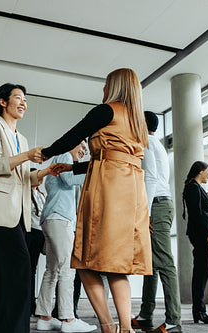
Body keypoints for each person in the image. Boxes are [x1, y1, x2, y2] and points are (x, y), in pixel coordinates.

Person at [42, 68, 152, 333]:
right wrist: (73, 169)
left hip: (108, 190)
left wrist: (45, 153)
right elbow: (116, 156)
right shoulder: (138, 122)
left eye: (106, 85)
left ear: (113, 86)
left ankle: (107, 325)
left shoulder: (106, 110)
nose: (103, 90)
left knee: (85, 260)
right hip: (133, 191)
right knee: (117, 264)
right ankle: (126, 328)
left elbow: (73, 136)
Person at [0, 83, 57, 333]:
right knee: (19, 271)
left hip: (17, 215)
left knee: (2, 276)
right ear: (3, 102)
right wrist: (27, 156)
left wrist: (44, 172)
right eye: (18, 98)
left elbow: (22, 178)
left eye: (25, 100)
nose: (23, 103)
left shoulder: (21, 138)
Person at [35, 142, 97, 333]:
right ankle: (68, 319)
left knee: (52, 270)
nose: (84, 150)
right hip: (59, 219)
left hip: (52, 218)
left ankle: (45, 317)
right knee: (67, 269)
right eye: (81, 145)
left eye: (86, 149)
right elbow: (69, 179)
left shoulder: (63, 159)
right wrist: (92, 173)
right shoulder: (65, 157)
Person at [131, 111, 182, 333]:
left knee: (164, 262)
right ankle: (145, 315)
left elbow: (150, 177)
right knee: (149, 264)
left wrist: (146, 212)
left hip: (157, 205)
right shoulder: (154, 143)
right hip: (159, 203)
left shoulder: (147, 143)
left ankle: (173, 321)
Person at [182, 161, 208, 325]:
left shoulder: (194, 187)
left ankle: (199, 311)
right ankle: (200, 311)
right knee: (201, 274)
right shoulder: (193, 188)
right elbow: (197, 214)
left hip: (199, 234)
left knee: (201, 273)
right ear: (200, 171)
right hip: (201, 235)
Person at [27, 168, 47, 317]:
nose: (40, 178)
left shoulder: (41, 194)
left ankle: (32, 303)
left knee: (33, 269)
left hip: (41, 234)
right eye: (37, 175)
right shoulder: (25, 194)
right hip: (30, 233)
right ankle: (28, 303)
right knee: (28, 270)